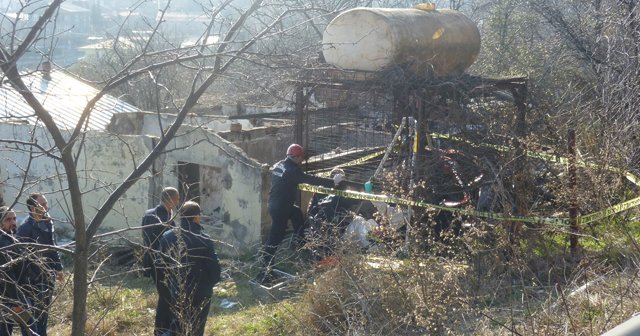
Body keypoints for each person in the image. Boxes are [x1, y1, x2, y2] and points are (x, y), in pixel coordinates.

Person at [257, 144, 344, 284]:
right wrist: (333, 182)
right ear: (296, 157)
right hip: (281, 208)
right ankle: (266, 267)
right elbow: (310, 180)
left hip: (277, 204)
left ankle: (301, 243)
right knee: (275, 237)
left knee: (297, 213)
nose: (302, 161)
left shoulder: (279, 164)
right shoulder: (292, 170)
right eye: (301, 158)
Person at [158, 201, 221, 336]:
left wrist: (167, 287)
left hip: (176, 289)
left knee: (178, 324)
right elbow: (215, 269)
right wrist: (209, 284)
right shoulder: (204, 239)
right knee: (196, 327)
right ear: (196, 217)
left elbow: (161, 265)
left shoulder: (167, 237)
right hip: (200, 291)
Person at [16, 193, 63, 336]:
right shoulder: (25, 228)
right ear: (32, 207)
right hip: (33, 278)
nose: (45, 207)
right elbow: (21, 257)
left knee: (45, 310)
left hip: (48, 275)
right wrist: (30, 278)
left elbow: (52, 246)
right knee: (35, 313)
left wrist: (58, 268)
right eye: (42, 204)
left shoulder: (48, 221)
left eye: (46, 203)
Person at [141, 187, 180, 336]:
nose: (178, 202)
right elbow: (151, 241)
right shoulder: (153, 215)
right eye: (176, 199)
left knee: (169, 295)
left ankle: (168, 328)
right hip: (158, 262)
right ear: (170, 199)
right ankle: (160, 331)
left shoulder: (168, 213)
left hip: (168, 261)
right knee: (165, 296)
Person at [0, 206, 34, 336]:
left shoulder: (11, 238)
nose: (13, 222)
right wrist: (16, 302)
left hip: (16, 295)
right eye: (8, 219)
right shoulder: (3, 243)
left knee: (5, 330)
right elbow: (7, 276)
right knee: (30, 328)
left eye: (14, 218)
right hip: (11, 298)